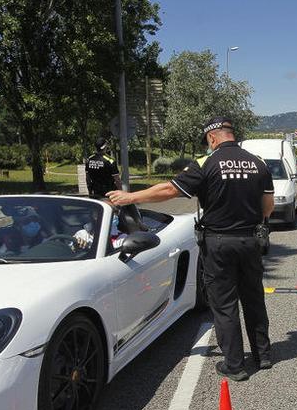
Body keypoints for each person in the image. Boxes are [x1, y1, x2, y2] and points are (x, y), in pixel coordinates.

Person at [106, 117, 275, 381]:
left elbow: (169, 190)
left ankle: (235, 365)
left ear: (212, 138)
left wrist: (130, 197)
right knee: (253, 297)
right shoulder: (258, 163)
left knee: (225, 302)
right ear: (231, 134)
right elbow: (268, 207)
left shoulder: (205, 163)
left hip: (218, 243)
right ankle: (263, 354)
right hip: (250, 241)